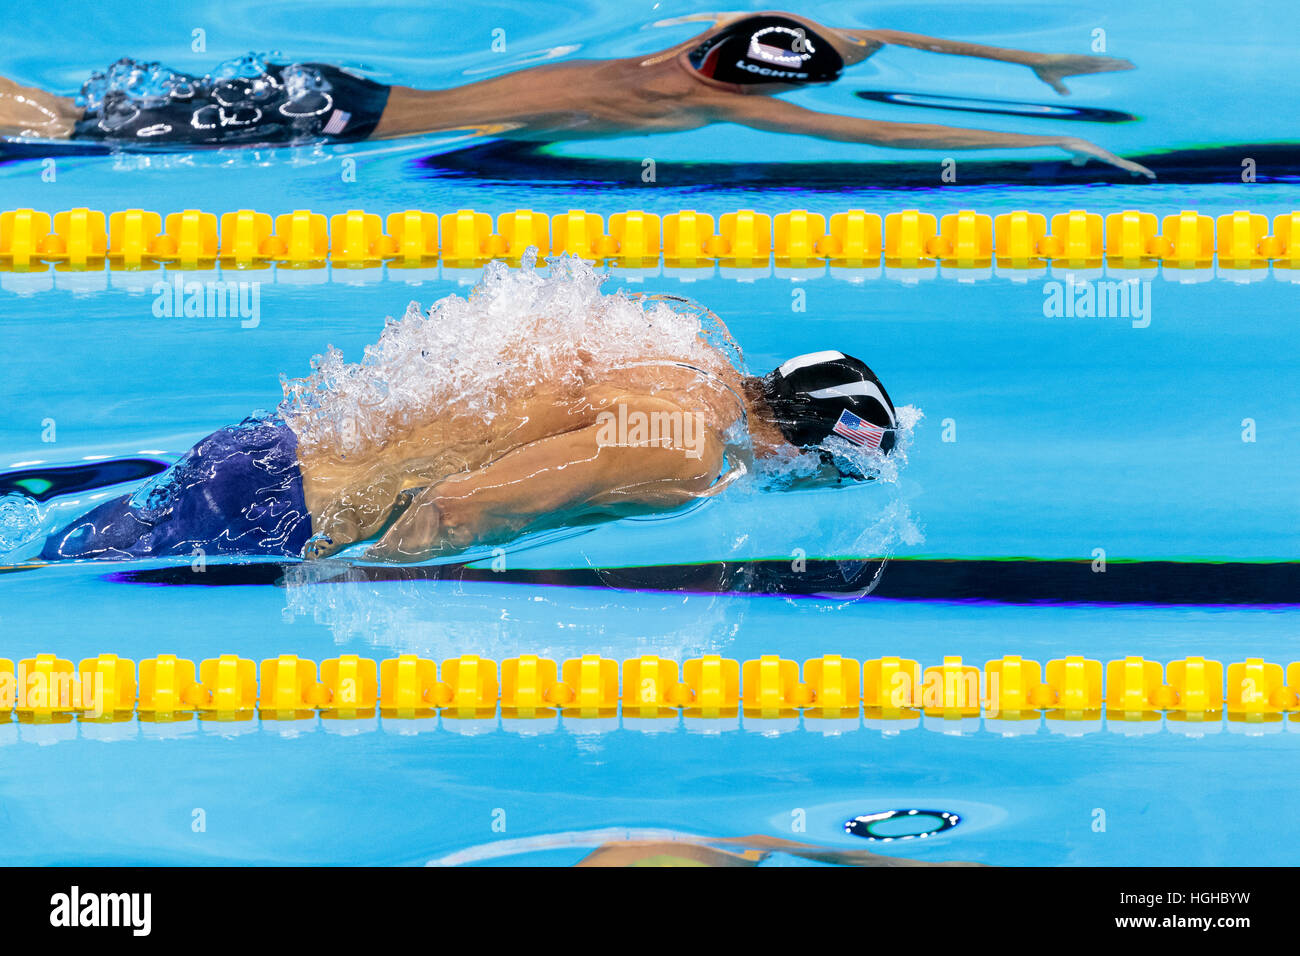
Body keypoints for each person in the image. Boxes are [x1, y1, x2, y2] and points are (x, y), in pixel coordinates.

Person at [0, 11, 1151, 176]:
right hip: (336, 118)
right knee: (58, 130)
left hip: (333, 86)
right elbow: (858, 124)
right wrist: (1061, 149)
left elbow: (857, 35)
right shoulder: (728, 108)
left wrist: (1023, 68)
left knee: (66, 111)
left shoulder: (697, 53)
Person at [39, 347, 899, 564]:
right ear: (802, 447)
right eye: (820, 470)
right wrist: (356, 593)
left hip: (264, 450)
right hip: (283, 513)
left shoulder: (674, 346)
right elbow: (461, 506)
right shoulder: (687, 448)